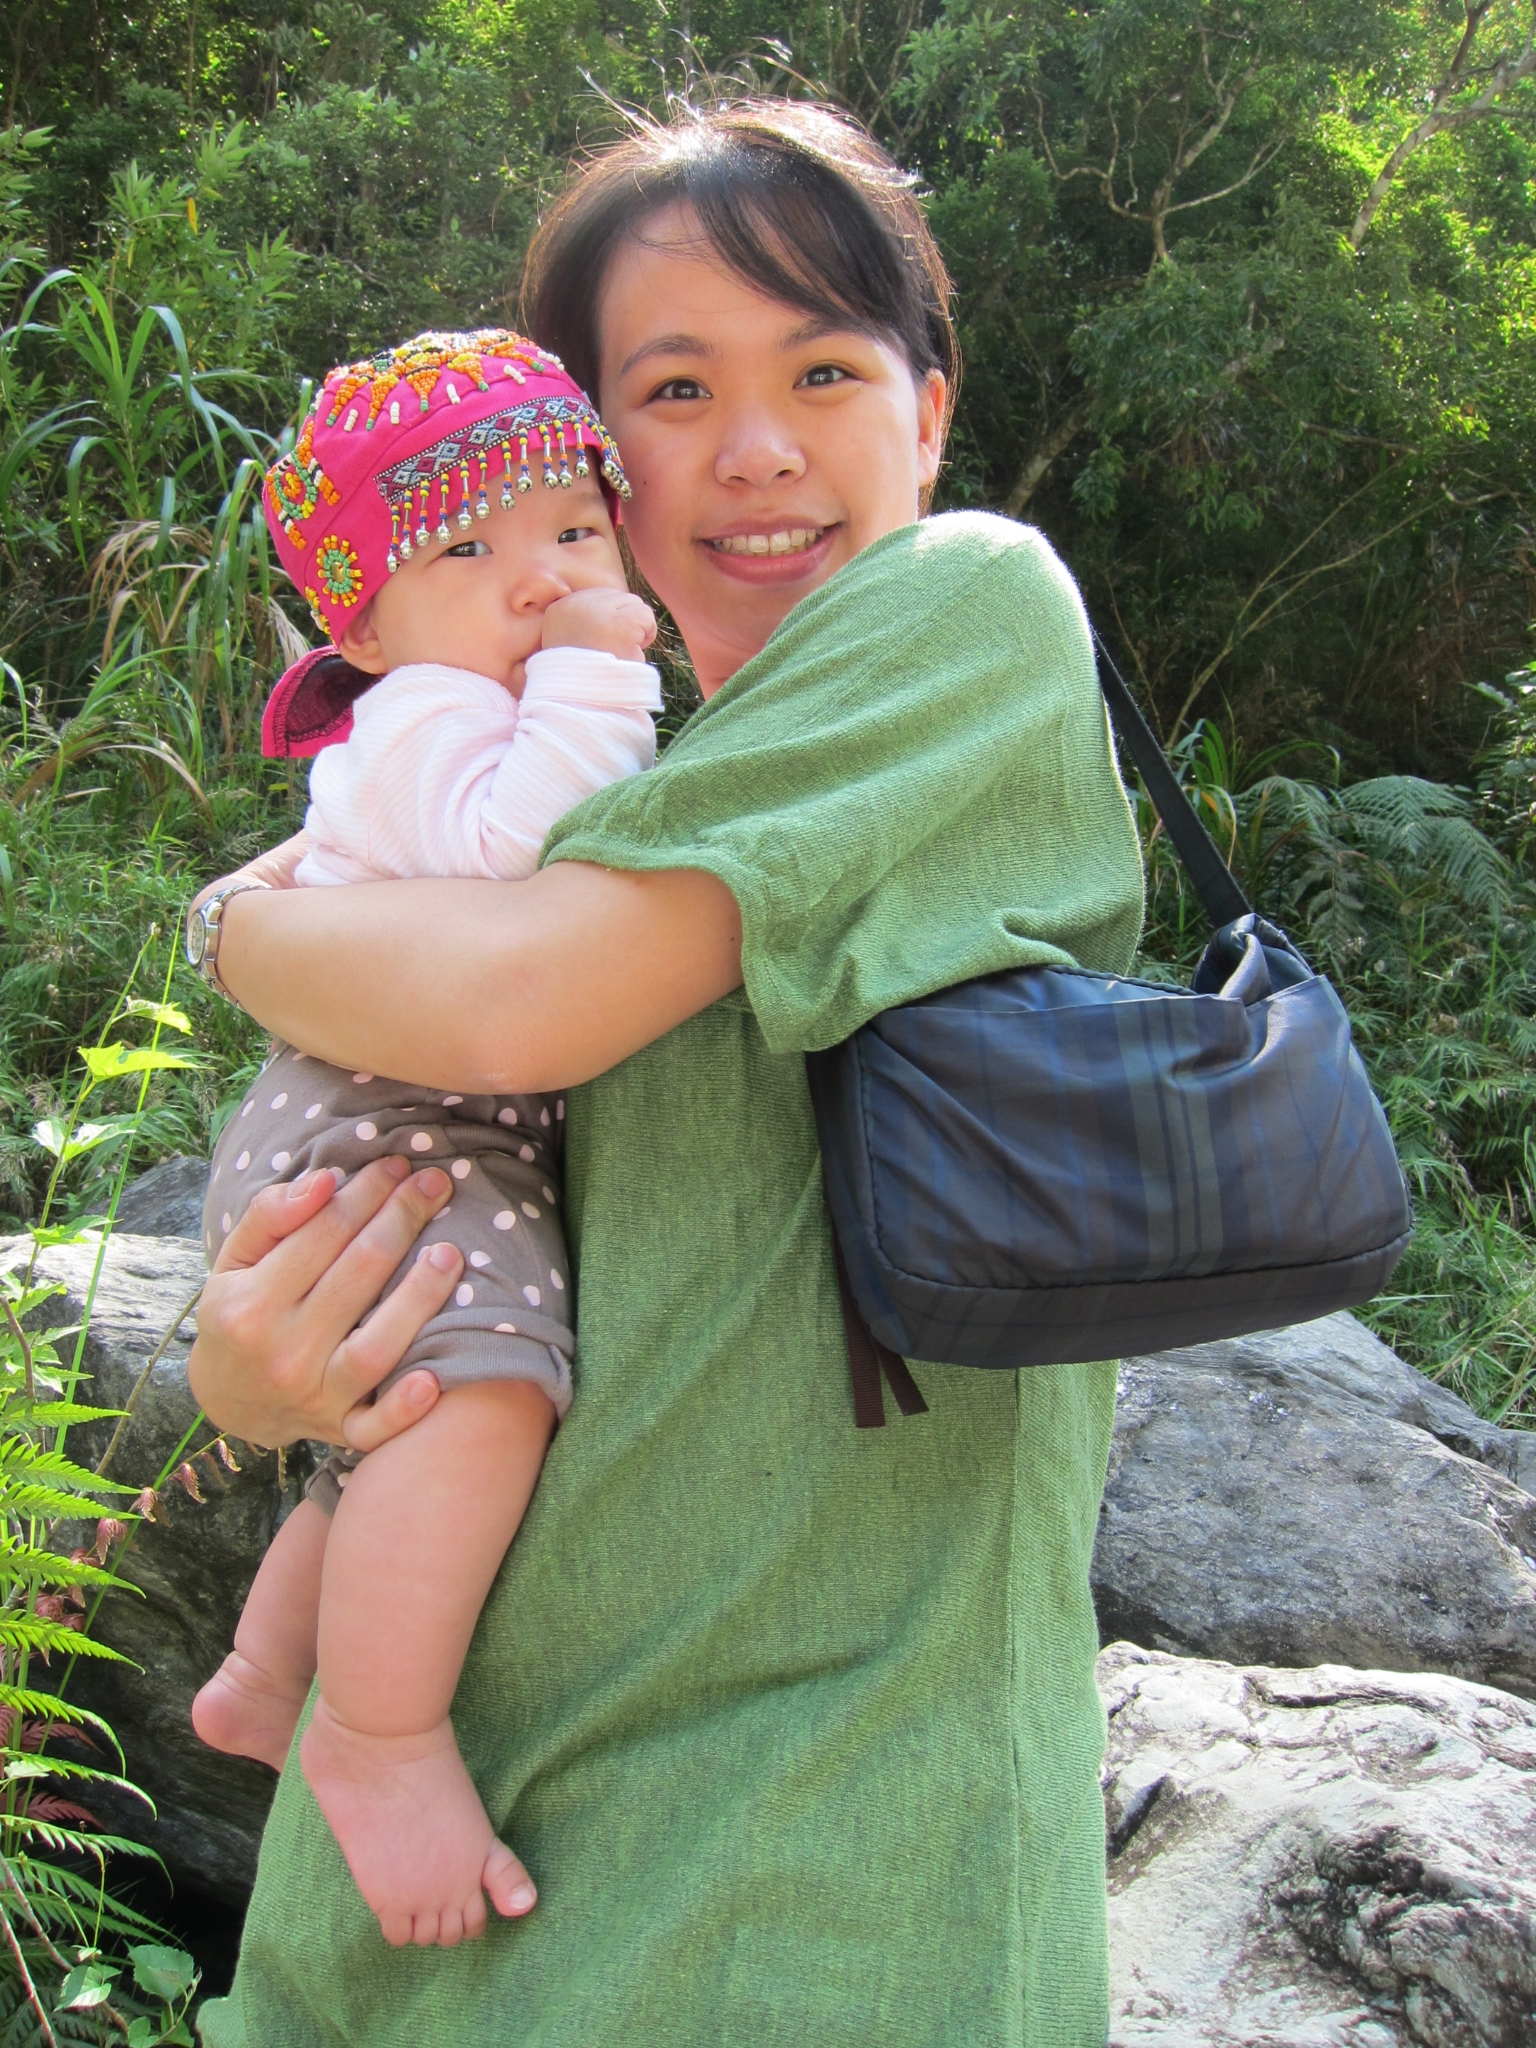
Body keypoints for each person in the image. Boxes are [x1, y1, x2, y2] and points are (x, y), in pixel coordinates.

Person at [192, 99, 1145, 2048]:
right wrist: (253, 1378)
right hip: (416, 1904)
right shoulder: (589, 783)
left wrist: (224, 924)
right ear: (589, 461)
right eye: (678, 390)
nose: (760, 448)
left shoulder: (965, 614)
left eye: (825, 372)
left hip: (806, 1884)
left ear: (930, 416)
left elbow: (511, 1009)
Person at [186, 330, 662, 1948]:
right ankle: (381, 1737)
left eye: (576, 532)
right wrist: (599, 667)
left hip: (387, 1110)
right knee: (480, 1394)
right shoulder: (426, 718)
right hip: (388, 1114)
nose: (541, 580)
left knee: (395, 1423)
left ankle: (269, 1674)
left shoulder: (462, 692)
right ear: (365, 630)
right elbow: (525, 854)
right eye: (466, 550)